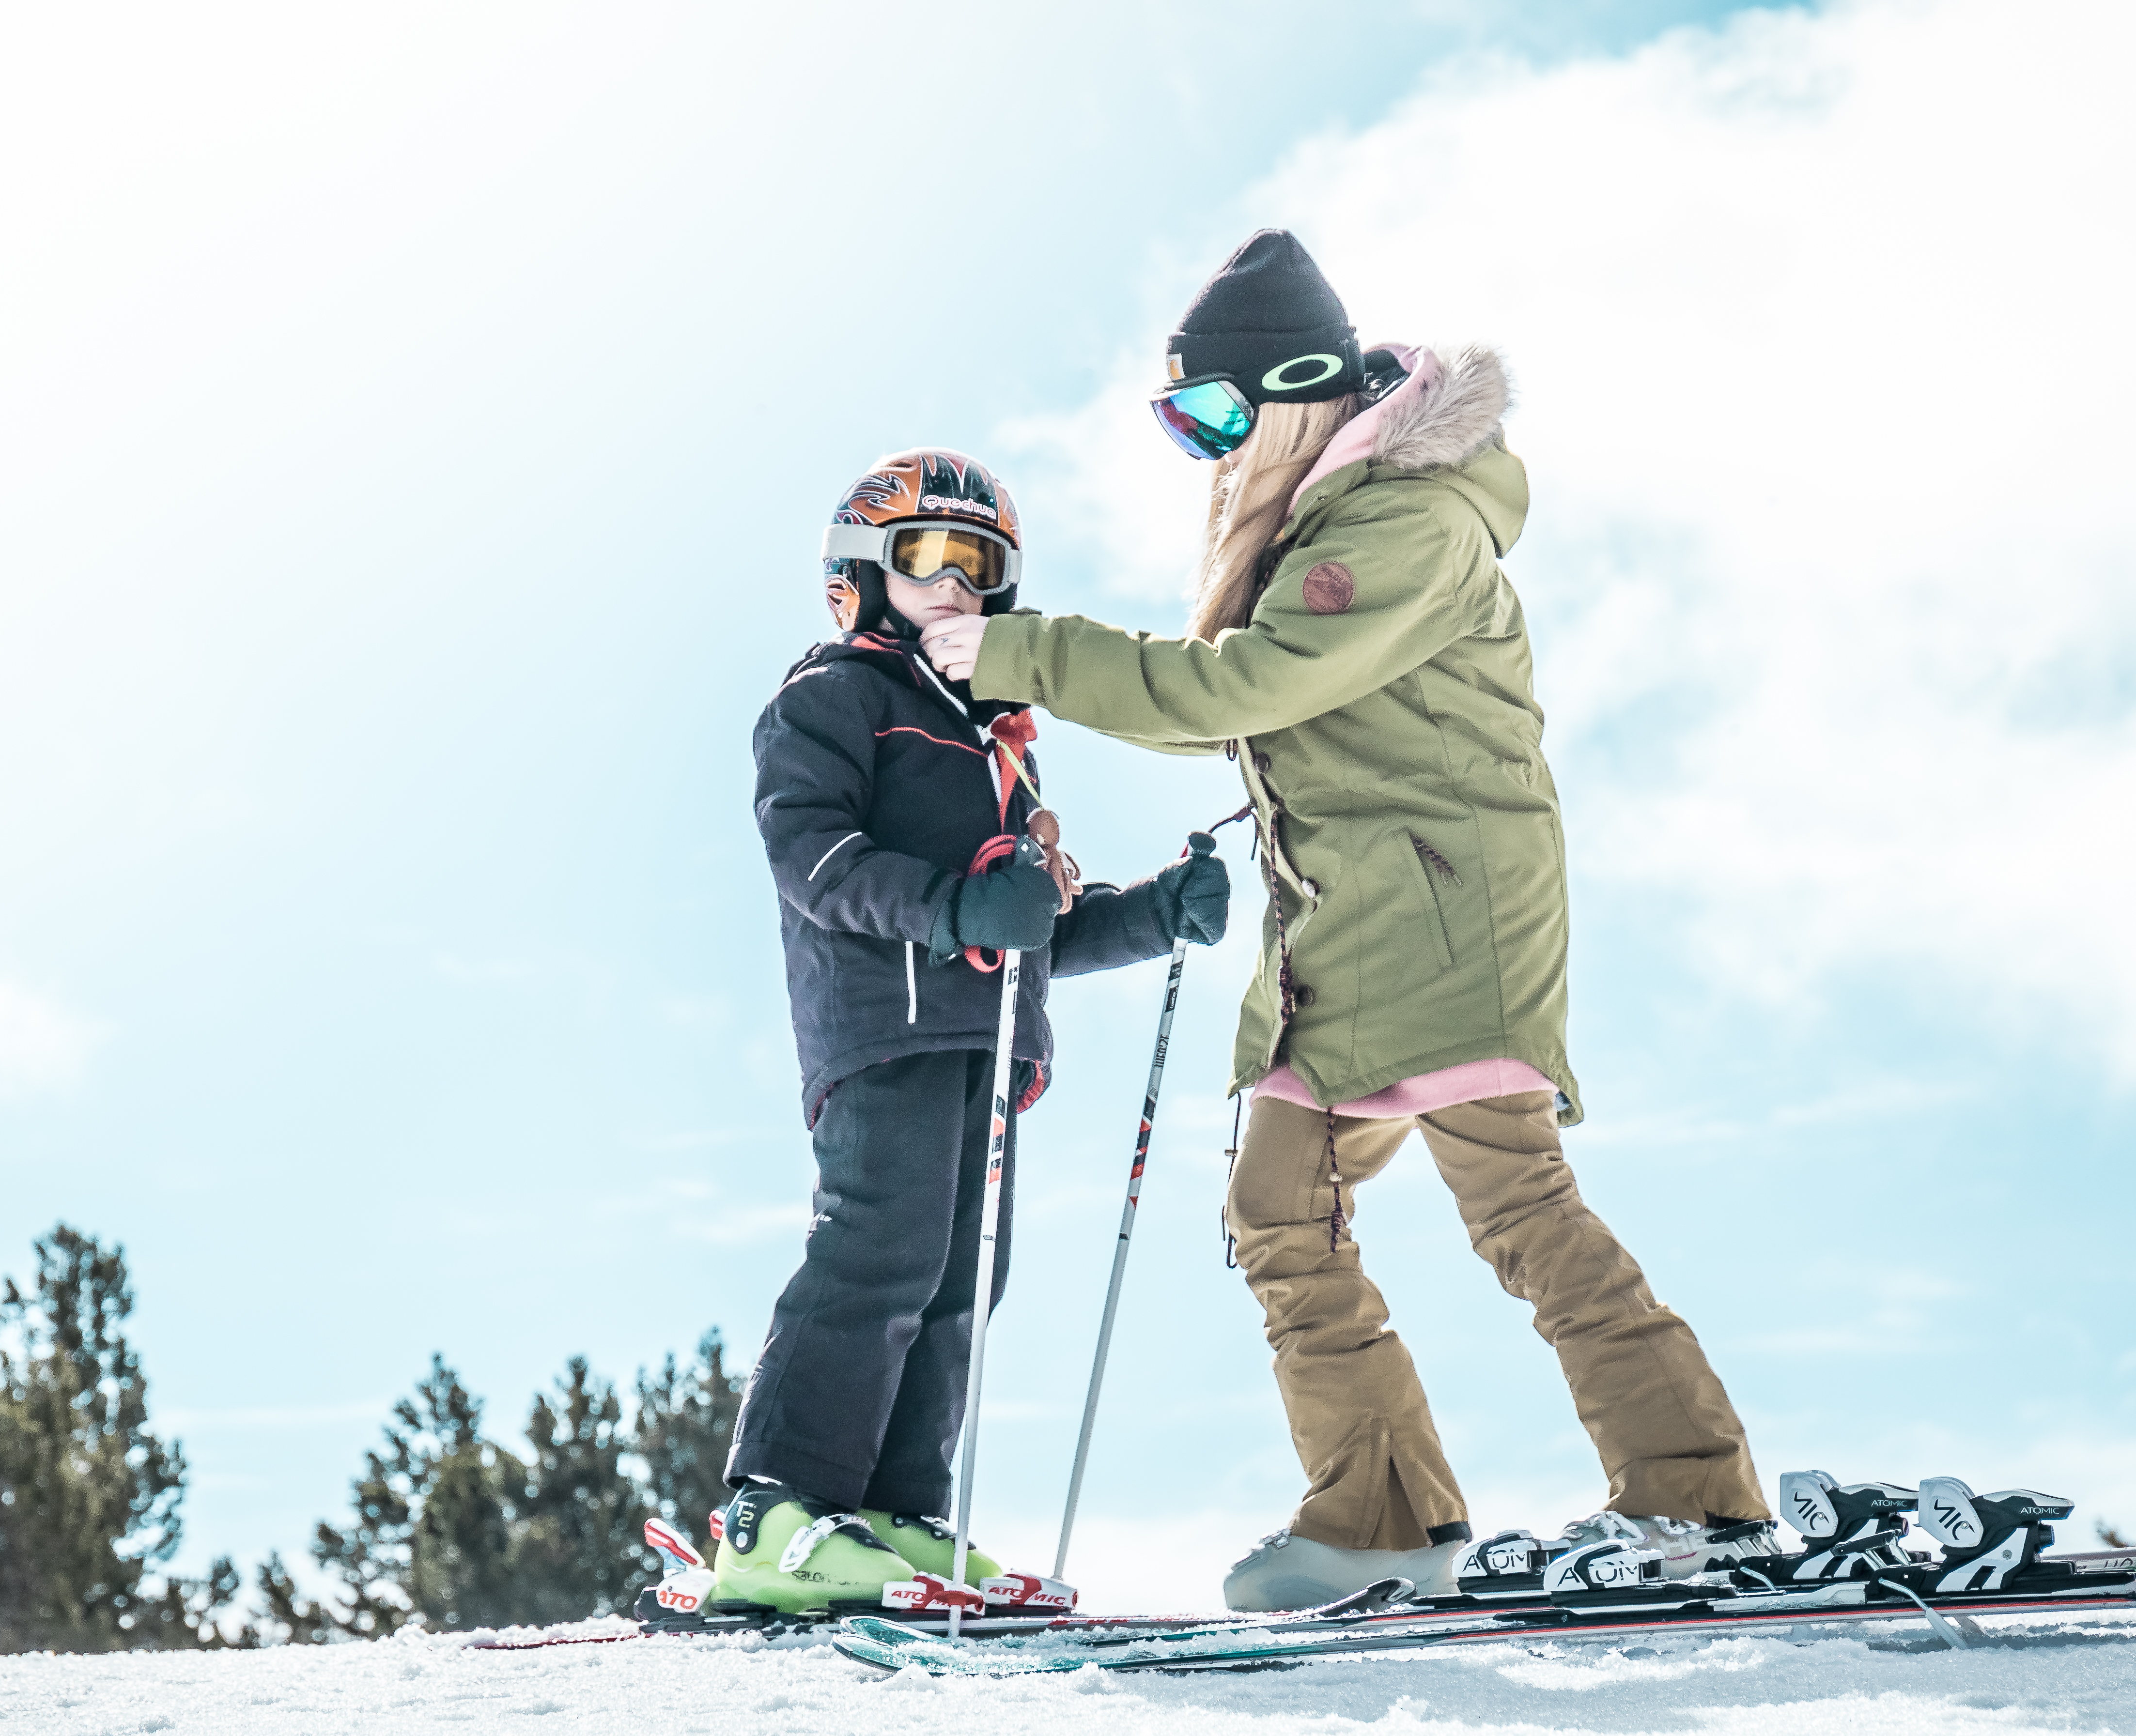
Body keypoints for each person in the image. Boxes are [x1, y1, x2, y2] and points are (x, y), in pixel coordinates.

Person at [919, 233, 1776, 1610]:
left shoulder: (1399, 525)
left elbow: (1233, 690)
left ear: (1299, 387)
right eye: (1177, 420)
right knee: (1276, 1211)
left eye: (1212, 412)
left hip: (1446, 927)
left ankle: (1699, 1502)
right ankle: (1378, 1512)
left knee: (1519, 1210)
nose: (1202, 448)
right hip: (1338, 943)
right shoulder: (1331, 520)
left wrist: (1023, 654)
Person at [715, 447, 1232, 1614]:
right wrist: (953, 909)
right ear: (862, 575)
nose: (952, 584)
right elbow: (815, 859)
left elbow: (1033, 919)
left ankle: (897, 1516)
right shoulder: (832, 698)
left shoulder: (1002, 744)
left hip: (985, 1043)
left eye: (976, 564)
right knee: (879, 1250)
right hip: (884, 1025)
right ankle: (777, 1509)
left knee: (961, 1276)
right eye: (924, 560)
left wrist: (1153, 912)